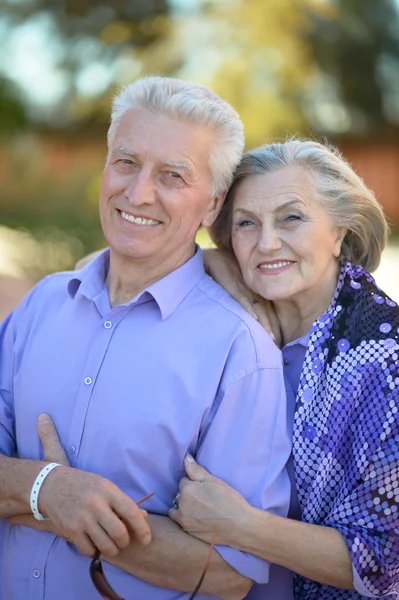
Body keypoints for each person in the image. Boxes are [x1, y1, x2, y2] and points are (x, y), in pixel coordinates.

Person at [0, 77, 292, 600]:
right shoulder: (40, 305)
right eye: (126, 162)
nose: (138, 193)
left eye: (173, 176)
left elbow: (230, 573)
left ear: (212, 205)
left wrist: (65, 513)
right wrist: (49, 488)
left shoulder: (239, 352)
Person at [169, 139, 399, 600]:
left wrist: (240, 526)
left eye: (291, 217)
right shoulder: (231, 323)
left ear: (339, 231)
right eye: (246, 224)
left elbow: (385, 561)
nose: (266, 242)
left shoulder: (383, 360)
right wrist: (209, 262)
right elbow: (95, 270)